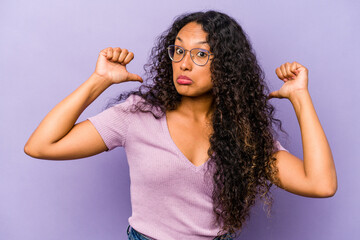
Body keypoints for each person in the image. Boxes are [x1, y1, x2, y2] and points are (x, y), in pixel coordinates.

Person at [24, 10, 337, 240]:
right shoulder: (139, 114)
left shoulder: (244, 131)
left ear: (227, 65)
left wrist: (299, 98)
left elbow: (321, 185)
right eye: (179, 50)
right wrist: (99, 81)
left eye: (201, 54)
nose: (185, 63)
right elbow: (40, 146)